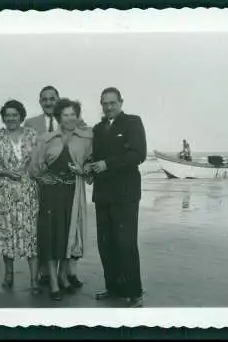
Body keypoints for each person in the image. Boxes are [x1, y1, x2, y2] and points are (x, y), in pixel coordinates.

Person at [30, 98, 93, 301]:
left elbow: (91, 167)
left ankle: (62, 276)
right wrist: (41, 176)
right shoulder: (46, 138)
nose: (70, 118)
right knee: (51, 237)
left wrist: (83, 170)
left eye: (73, 114)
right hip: (50, 194)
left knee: (69, 236)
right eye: (65, 115)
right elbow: (33, 169)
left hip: (73, 194)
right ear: (58, 117)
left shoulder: (86, 138)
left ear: (78, 116)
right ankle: (55, 284)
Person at [90, 87, 147, 308]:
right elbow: (95, 156)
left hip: (125, 194)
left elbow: (138, 154)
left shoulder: (132, 122)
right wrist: (90, 168)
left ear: (121, 102)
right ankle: (113, 288)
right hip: (102, 194)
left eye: (112, 102)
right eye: (104, 103)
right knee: (106, 243)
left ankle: (134, 292)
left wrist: (107, 164)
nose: (108, 107)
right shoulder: (98, 128)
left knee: (125, 243)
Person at [0, 100, 40, 294]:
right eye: (7, 115)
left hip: (28, 190)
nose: (11, 118)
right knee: (6, 232)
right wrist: (5, 172)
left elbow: (40, 161)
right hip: (4, 191)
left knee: (31, 233)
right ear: (3, 117)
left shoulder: (32, 135)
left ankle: (34, 279)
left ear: (21, 116)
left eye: (14, 114)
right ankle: (9, 275)